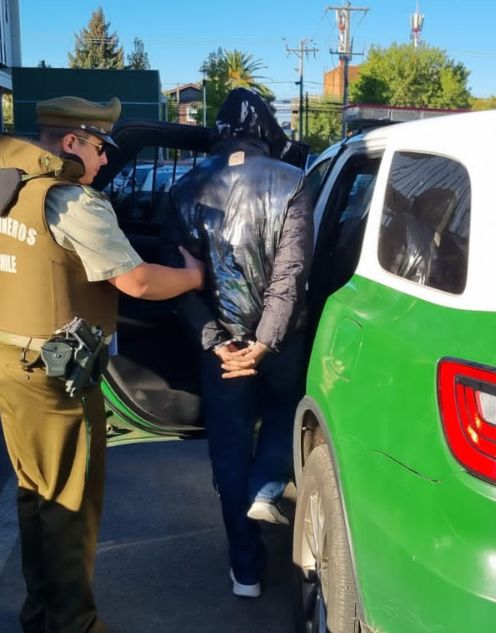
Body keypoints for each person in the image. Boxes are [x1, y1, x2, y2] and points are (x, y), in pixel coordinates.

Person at [0, 95, 203, 633]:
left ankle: (43, 613)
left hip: (0, 355)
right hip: (50, 369)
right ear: (72, 142)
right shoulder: (73, 200)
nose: (104, 162)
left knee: (36, 494)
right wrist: (196, 278)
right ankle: (75, 624)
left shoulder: (2, 190)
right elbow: (137, 281)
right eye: (100, 148)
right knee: (72, 503)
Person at [167, 88, 313, 599]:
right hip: (282, 341)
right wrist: (266, 342)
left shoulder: (185, 188)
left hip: (221, 349)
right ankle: (266, 487)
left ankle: (245, 570)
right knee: (283, 411)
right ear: (267, 133)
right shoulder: (293, 181)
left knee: (228, 452)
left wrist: (217, 343)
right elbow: (289, 276)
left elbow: (184, 282)